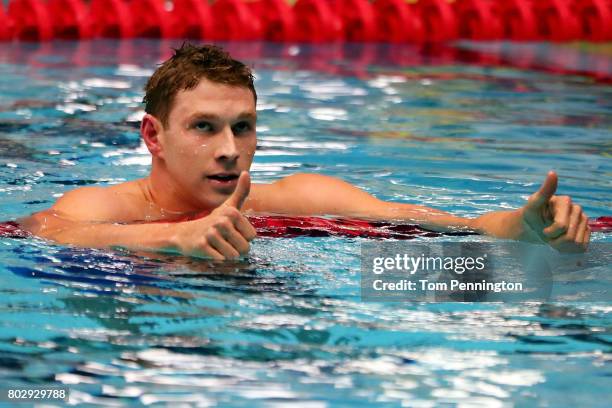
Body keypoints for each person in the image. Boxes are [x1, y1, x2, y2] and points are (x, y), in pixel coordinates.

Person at [18, 44, 590, 259]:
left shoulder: (305, 196)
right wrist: (171, 236)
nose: (229, 150)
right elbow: (47, 231)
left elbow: (449, 228)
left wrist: (525, 228)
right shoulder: (109, 209)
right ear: (153, 136)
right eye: (204, 127)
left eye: (243, 127)